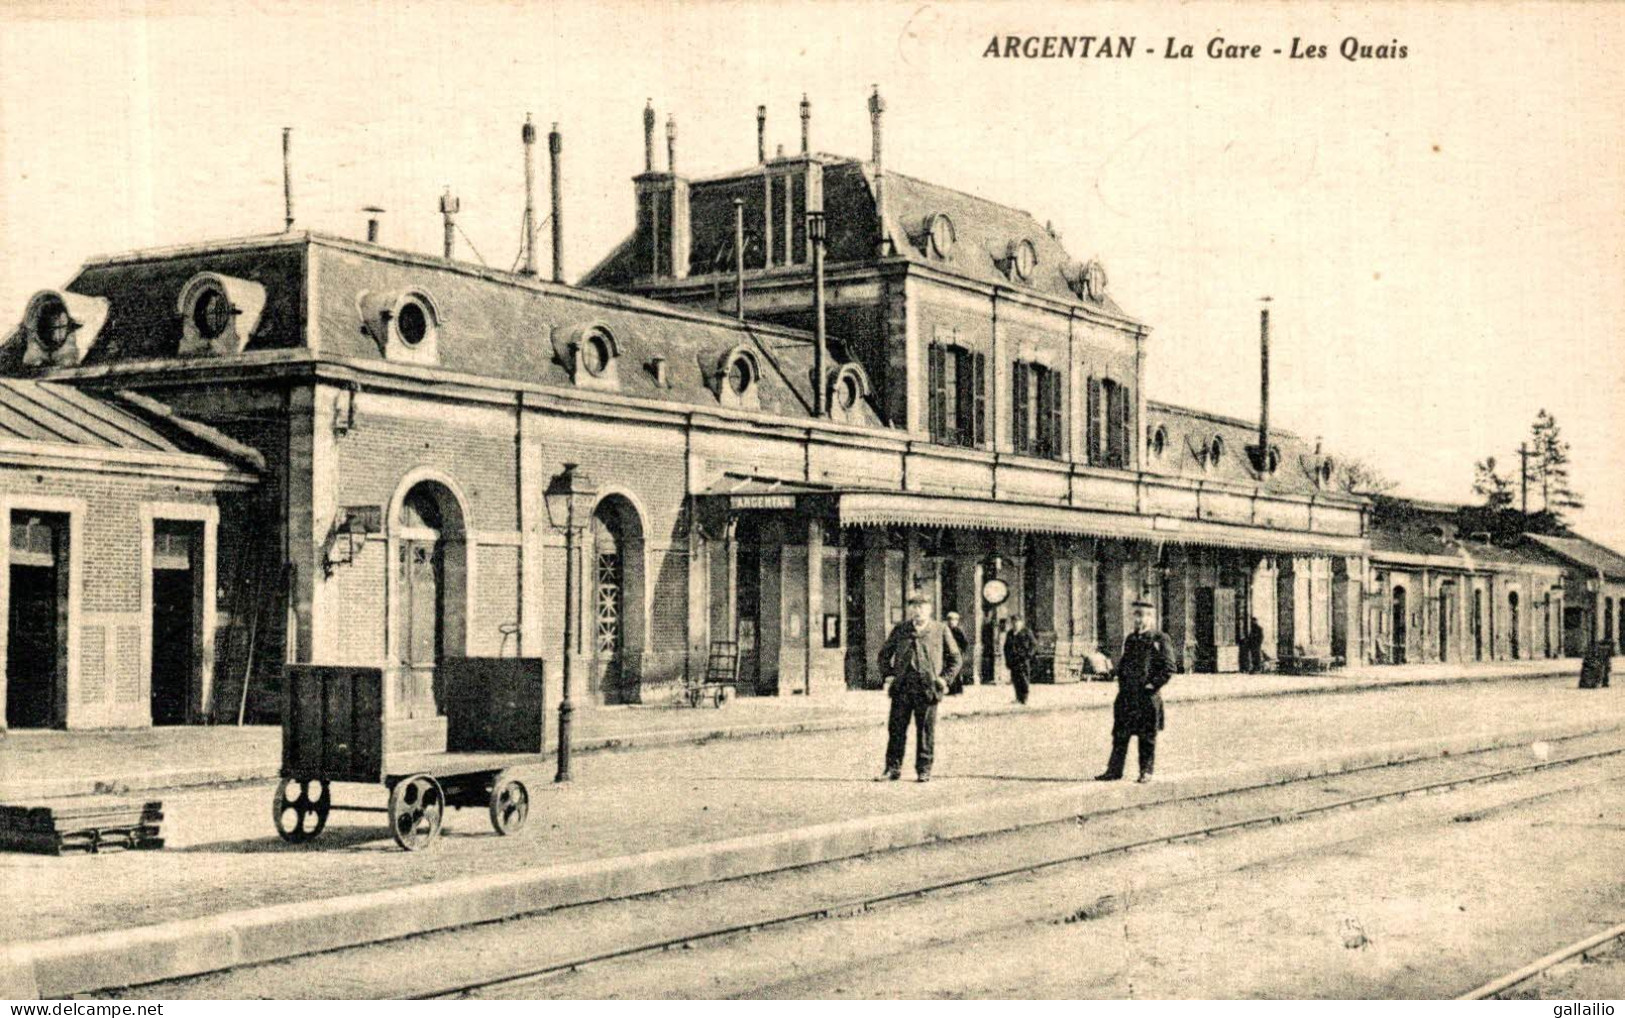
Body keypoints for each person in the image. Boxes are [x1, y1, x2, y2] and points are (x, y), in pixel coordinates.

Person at [877, 591, 962, 782]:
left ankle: (924, 769)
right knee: (896, 729)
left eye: (921, 607)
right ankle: (892, 768)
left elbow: (956, 658)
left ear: (930, 610)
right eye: (914, 607)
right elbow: (884, 655)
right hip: (902, 688)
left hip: (927, 688)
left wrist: (944, 679)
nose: (917, 611)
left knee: (925, 731)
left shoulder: (940, 630)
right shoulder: (901, 629)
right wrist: (889, 675)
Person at [1096, 599, 1175, 783]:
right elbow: (1125, 663)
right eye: (1137, 615)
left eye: (1145, 615)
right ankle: (1114, 771)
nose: (1140, 620)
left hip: (1147, 698)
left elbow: (1169, 667)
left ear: (1152, 618)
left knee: (1147, 736)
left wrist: (1152, 685)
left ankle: (1145, 772)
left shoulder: (1159, 639)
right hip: (1126, 697)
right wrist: (1114, 673)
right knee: (1120, 735)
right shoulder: (1131, 639)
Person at [1004, 616, 1036, 705]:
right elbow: (1006, 648)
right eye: (1013, 622)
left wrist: (1028, 655)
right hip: (1013, 661)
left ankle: (1024, 698)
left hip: (1023, 660)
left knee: (1024, 679)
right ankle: (1018, 697)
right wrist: (1007, 660)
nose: (1015, 624)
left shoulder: (1026, 632)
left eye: (1017, 622)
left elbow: (1033, 645)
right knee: (1015, 679)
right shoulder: (1010, 634)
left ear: (1021, 623)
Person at [944, 611, 971, 694]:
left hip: (956, 654)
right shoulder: (946, 630)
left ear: (957, 621)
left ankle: (957, 690)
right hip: (948, 654)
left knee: (957, 672)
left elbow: (965, 643)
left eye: (953, 620)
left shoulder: (958, 631)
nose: (951, 622)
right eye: (949, 620)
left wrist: (961, 651)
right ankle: (951, 689)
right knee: (949, 671)